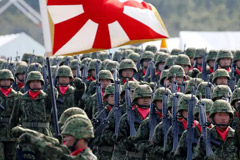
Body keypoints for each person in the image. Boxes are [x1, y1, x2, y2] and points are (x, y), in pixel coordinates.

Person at [0, 69, 19, 160]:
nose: (5, 82)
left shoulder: (17, 96)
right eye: (3, 80)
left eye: (8, 80)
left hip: (12, 132)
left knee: (12, 157)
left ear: (11, 81)